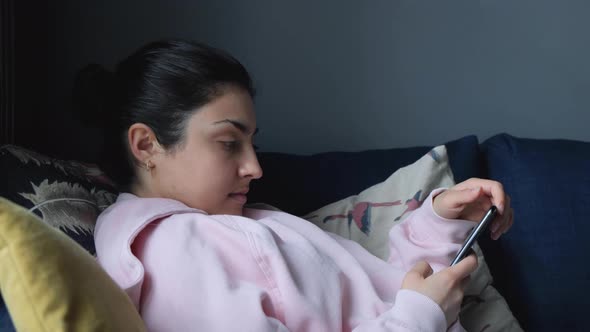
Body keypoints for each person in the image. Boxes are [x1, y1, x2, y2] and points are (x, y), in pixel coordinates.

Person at [81, 40, 514, 331]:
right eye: (229, 143)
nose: (254, 166)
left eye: (252, 142)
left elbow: (382, 301)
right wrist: (420, 317)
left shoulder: (235, 225)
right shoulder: (171, 248)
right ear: (146, 146)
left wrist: (439, 225)